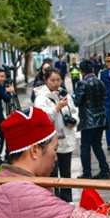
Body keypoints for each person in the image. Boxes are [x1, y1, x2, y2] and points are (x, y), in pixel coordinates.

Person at [34, 67, 79, 202]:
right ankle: (54, 201)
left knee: (66, 172)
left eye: (58, 80)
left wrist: (74, 121)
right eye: (52, 80)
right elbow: (40, 116)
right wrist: (56, 108)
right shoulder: (41, 97)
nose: (56, 83)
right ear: (45, 80)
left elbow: (74, 111)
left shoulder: (65, 95)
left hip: (65, 139)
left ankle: (67, 200)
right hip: (49, 142)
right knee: (52, 173)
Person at [73, 60, 110, 179]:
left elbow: (77, 102)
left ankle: (87, 173)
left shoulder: (82, 83)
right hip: (100, 119)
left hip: (88, 121)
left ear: (82, 70)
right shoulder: (100, 82)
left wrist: (71, 97)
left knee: (85, 147)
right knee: (97, 145)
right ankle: (105, 170)